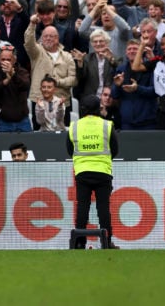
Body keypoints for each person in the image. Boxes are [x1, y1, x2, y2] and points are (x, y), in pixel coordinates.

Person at [68, 95, 120, 249]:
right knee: (103, 208)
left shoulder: (74, 126)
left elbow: (70, 150)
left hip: (82, 171)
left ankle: (79, 243)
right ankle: (106, 242)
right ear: (99, 108)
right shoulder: (107, 125)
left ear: (82, 109)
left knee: (82, 207)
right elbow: (115, 150)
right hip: (103, 171)